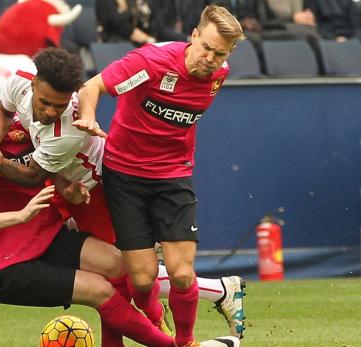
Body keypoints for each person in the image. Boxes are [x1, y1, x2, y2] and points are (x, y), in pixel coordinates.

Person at [0, 47, 246, 341]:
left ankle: (170, 319)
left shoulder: (66, 131)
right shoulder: (19, 80)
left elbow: (32, 177)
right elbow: (4, 112)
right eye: (44, 102)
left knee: (121, 276)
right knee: (117, 275)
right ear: (33, 83)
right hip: (65, 185)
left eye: (57, 106)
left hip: (97, 192)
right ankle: (214, 293)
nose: (48, 111)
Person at [0, 53, 178, 347]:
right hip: (1, 265)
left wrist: (63, 185)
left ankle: (157, 319)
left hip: (46, 233)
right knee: (101, 289)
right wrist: (19, 216)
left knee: (122, 266)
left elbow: (38, 170)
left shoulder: (30, 126)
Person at [75, 5, 245, 346]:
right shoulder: (150, 63)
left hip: (173, 176)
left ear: (229, 54)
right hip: (124, 176)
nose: (211, 58)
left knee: (182, 274)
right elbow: (91, 86)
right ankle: (158, 323)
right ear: (193, 36)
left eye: (220, 54)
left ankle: (185, 342)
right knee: (141, 279)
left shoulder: (219, 75)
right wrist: (90, 118)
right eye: (206, 48)